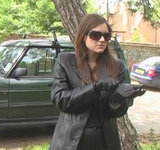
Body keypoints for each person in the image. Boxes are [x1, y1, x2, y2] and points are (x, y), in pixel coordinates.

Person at [49, 13, 146, 150]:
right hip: (70, 141)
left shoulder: (117, 66)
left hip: (105, 141)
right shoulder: (65, 61)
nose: (101, 40)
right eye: (95, 35)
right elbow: (61, 100)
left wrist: (120, 98)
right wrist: (95, 88)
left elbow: (115, 113)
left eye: (106, 36)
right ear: (84, 36)